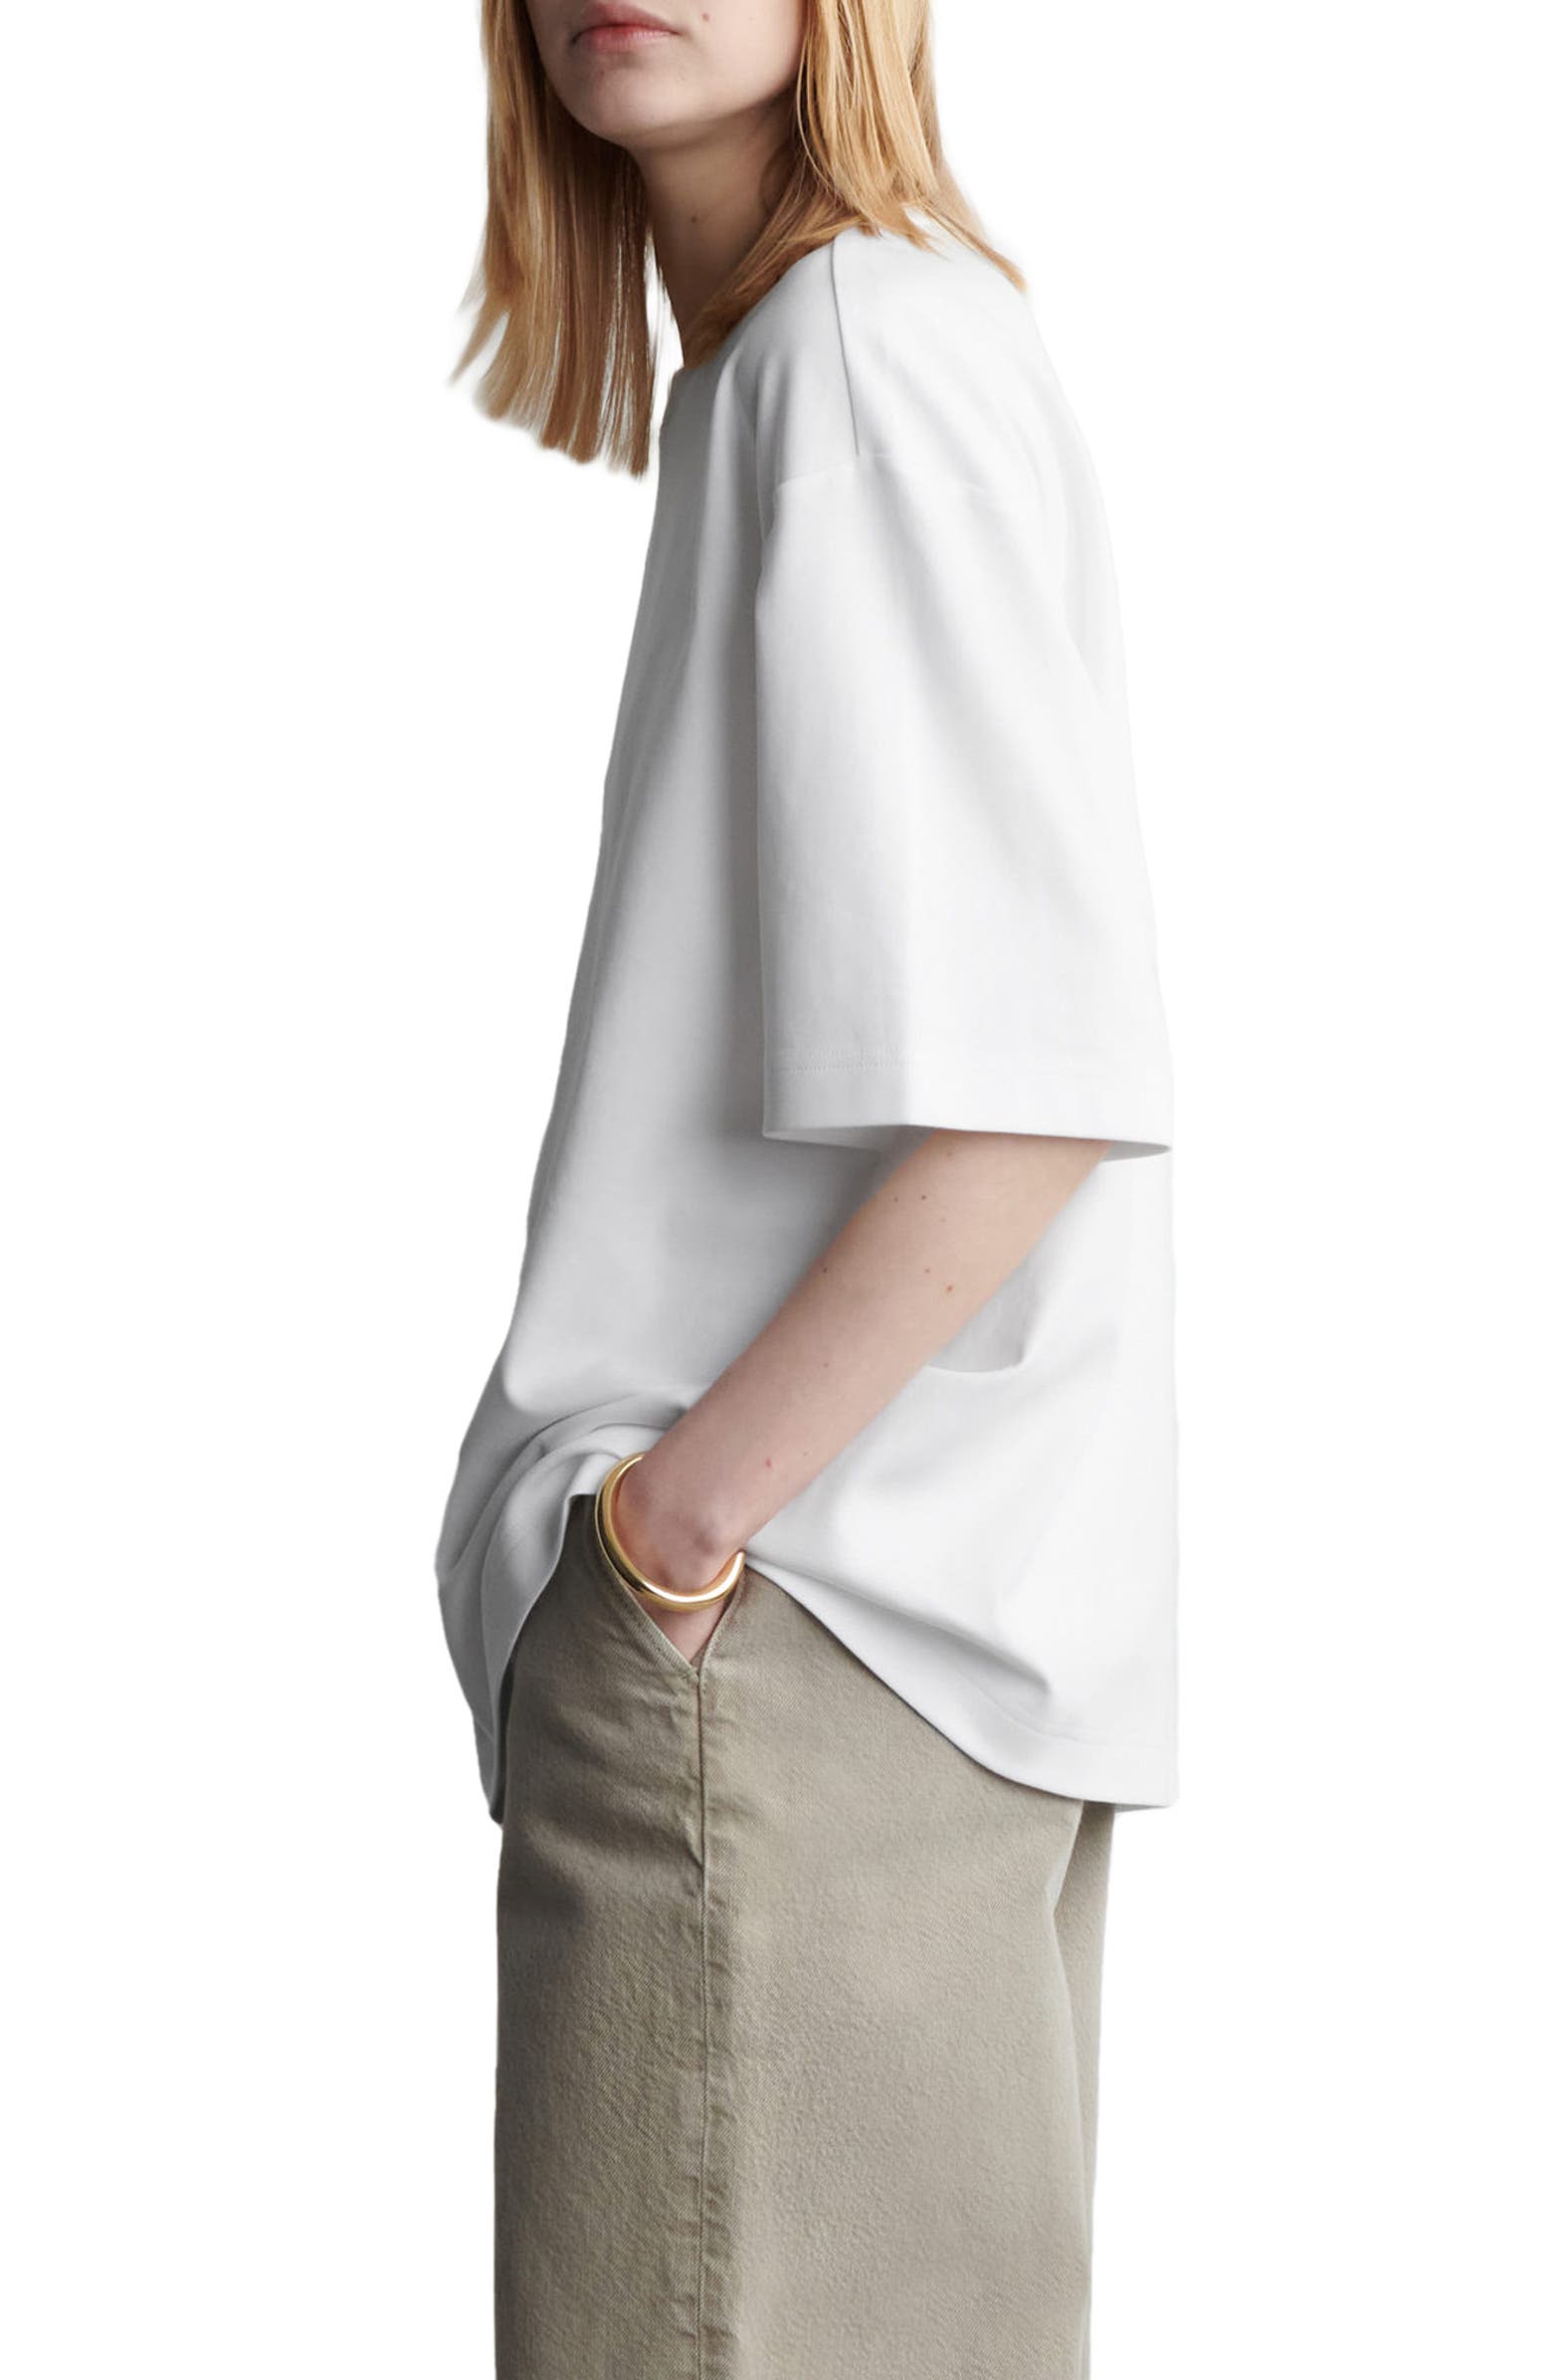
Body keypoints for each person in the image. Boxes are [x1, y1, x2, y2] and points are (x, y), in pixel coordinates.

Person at [434, 3, 1177, 2372]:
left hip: (794, 1664)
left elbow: (1030, 1088)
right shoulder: (821, 359)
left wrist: (671, 1538)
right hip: (864, 1661)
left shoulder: (859, 351)